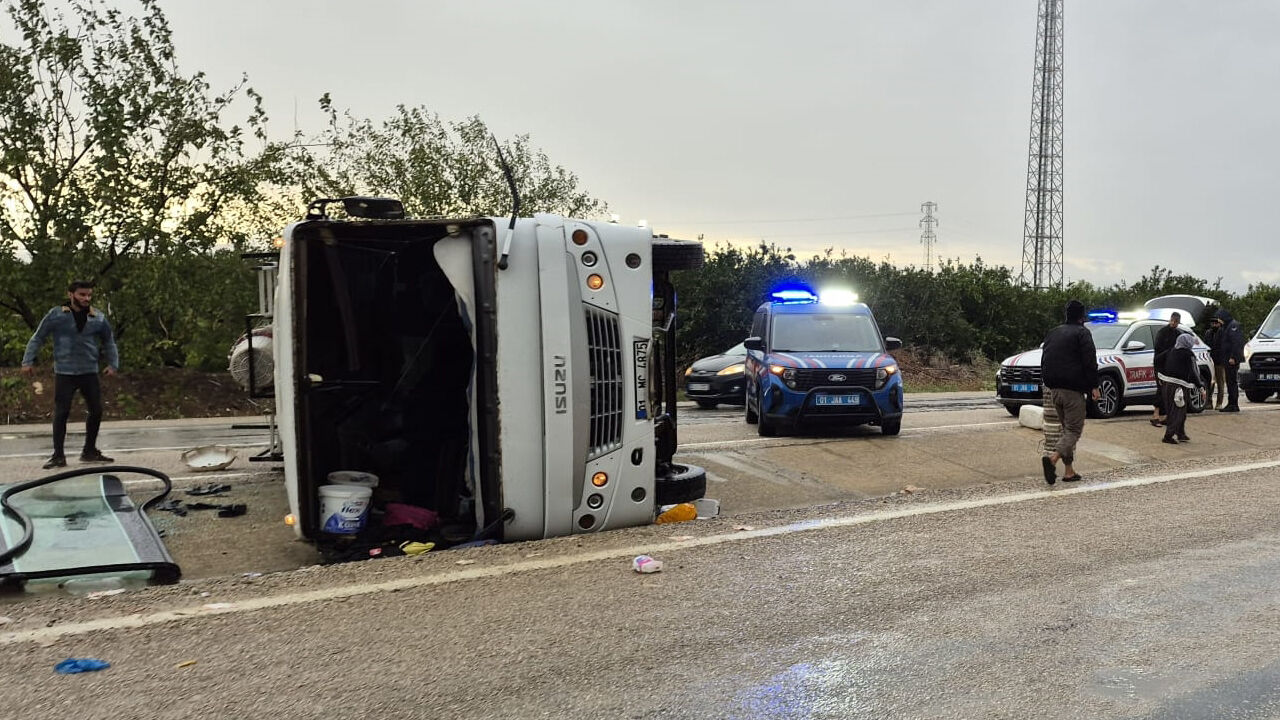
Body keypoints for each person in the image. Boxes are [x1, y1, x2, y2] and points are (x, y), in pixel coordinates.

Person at [21, 281, 119, 469]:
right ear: (71, 294)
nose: (86, 299)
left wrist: (113, 364)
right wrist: (27, 361)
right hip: (65, 372)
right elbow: (38, 337)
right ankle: (58, 455)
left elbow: (109, 341)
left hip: (89, 371)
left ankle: (89, 451)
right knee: (62, 412)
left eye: (89, 295)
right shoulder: (57, 315)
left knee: (96, 410)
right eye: (82, 295)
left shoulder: (97, 317)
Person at [1040, 300, 1102, 485]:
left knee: (1066, 431)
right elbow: (1089, 362)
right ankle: (1052, 459)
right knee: (1073, 430)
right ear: (1082, 317)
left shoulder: (1054, 332)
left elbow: (1045, 359)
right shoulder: (1082, 333)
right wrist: (1094, 386)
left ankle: (1069, 471)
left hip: (1054, 391)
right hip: (1072, 391)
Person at [1157, 332, 1205, 444]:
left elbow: (1157, 360)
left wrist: (1159, 374)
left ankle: (1181, 433)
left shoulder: (1170, 351)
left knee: (1171, 409)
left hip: (1166, 384)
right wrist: (1201, 387)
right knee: (1179, 411)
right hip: (1179, 385)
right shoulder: (1188, 354)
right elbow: (1194, 372)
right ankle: (1168, 436)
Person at [1149, 312, 1182, 426]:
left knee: (1170, 391)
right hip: (1160, 364)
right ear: (1170, 320)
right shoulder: (1162, 333)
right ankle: (1155, 415)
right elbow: (1158, 349)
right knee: (1161, 389)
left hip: (1172, 366)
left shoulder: (1178, 334)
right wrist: (1169, 352)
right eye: (1173, 321)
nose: (1174, 323)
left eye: (1176, 321)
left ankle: (1167, 416)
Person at [1215, 308, 1246, 412]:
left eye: (1219, 318)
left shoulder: (1233, 326)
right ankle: (1231, 403)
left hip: (1231, 359)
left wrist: (1233, 357)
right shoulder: (1226, 326)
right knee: (1229, 382)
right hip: (1227, 359)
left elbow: (1236, 343)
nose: (1218, 321)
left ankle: (1233, 404)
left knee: (1232, 382)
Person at [1204, 316, 1228, 410]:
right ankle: (1209, 402)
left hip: (1220, 361)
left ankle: (1219, 402)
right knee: (1210, 383)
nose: (1214, 325)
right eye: (1212, 323)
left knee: (1220, 383)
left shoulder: (1222, 332)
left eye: (1216, 323)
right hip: (1210, 361)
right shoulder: (1208, 333)